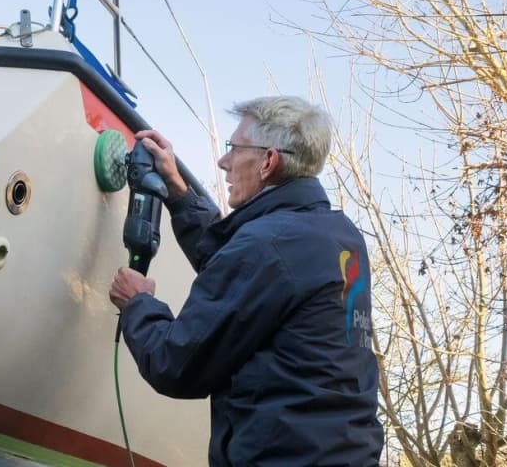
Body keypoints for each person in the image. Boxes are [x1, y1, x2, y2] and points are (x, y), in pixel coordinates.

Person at [110, 96, 383, 466]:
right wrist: (180, 195)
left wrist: (138, 304)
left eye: (234, 149)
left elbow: (175, 364)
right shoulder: (337, 237)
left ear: (268, 161)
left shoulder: (268, 245)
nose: (223, 162)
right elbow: (244, 277)